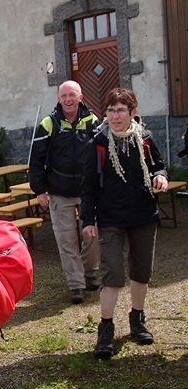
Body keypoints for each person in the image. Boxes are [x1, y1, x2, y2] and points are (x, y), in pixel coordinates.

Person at [80, 88, 169, 360]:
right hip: (110, 219)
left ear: (133, 112)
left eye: (120, 110)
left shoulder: (144, 139)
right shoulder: (97, 143)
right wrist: (88, 219)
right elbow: (89, 185)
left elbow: (159, 166)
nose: (115, 115)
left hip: (143, 216)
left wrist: (161, 177)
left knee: (141, 273)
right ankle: (105, 328)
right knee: (113, 275)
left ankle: (137, 320)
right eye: (110, 110)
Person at [29, 80, 101, 304]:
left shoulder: (93, 121)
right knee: (66, 240)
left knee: (92, 236)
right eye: (64, 96)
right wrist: (40, 190)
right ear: (59, 99)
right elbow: (36, 160)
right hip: (59, 192)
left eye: (72, 95)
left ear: (81, 97)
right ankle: (76, 285)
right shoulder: (49, 123)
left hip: (88, 191)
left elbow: (103, 154)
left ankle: (90, 273)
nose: (68, 99)